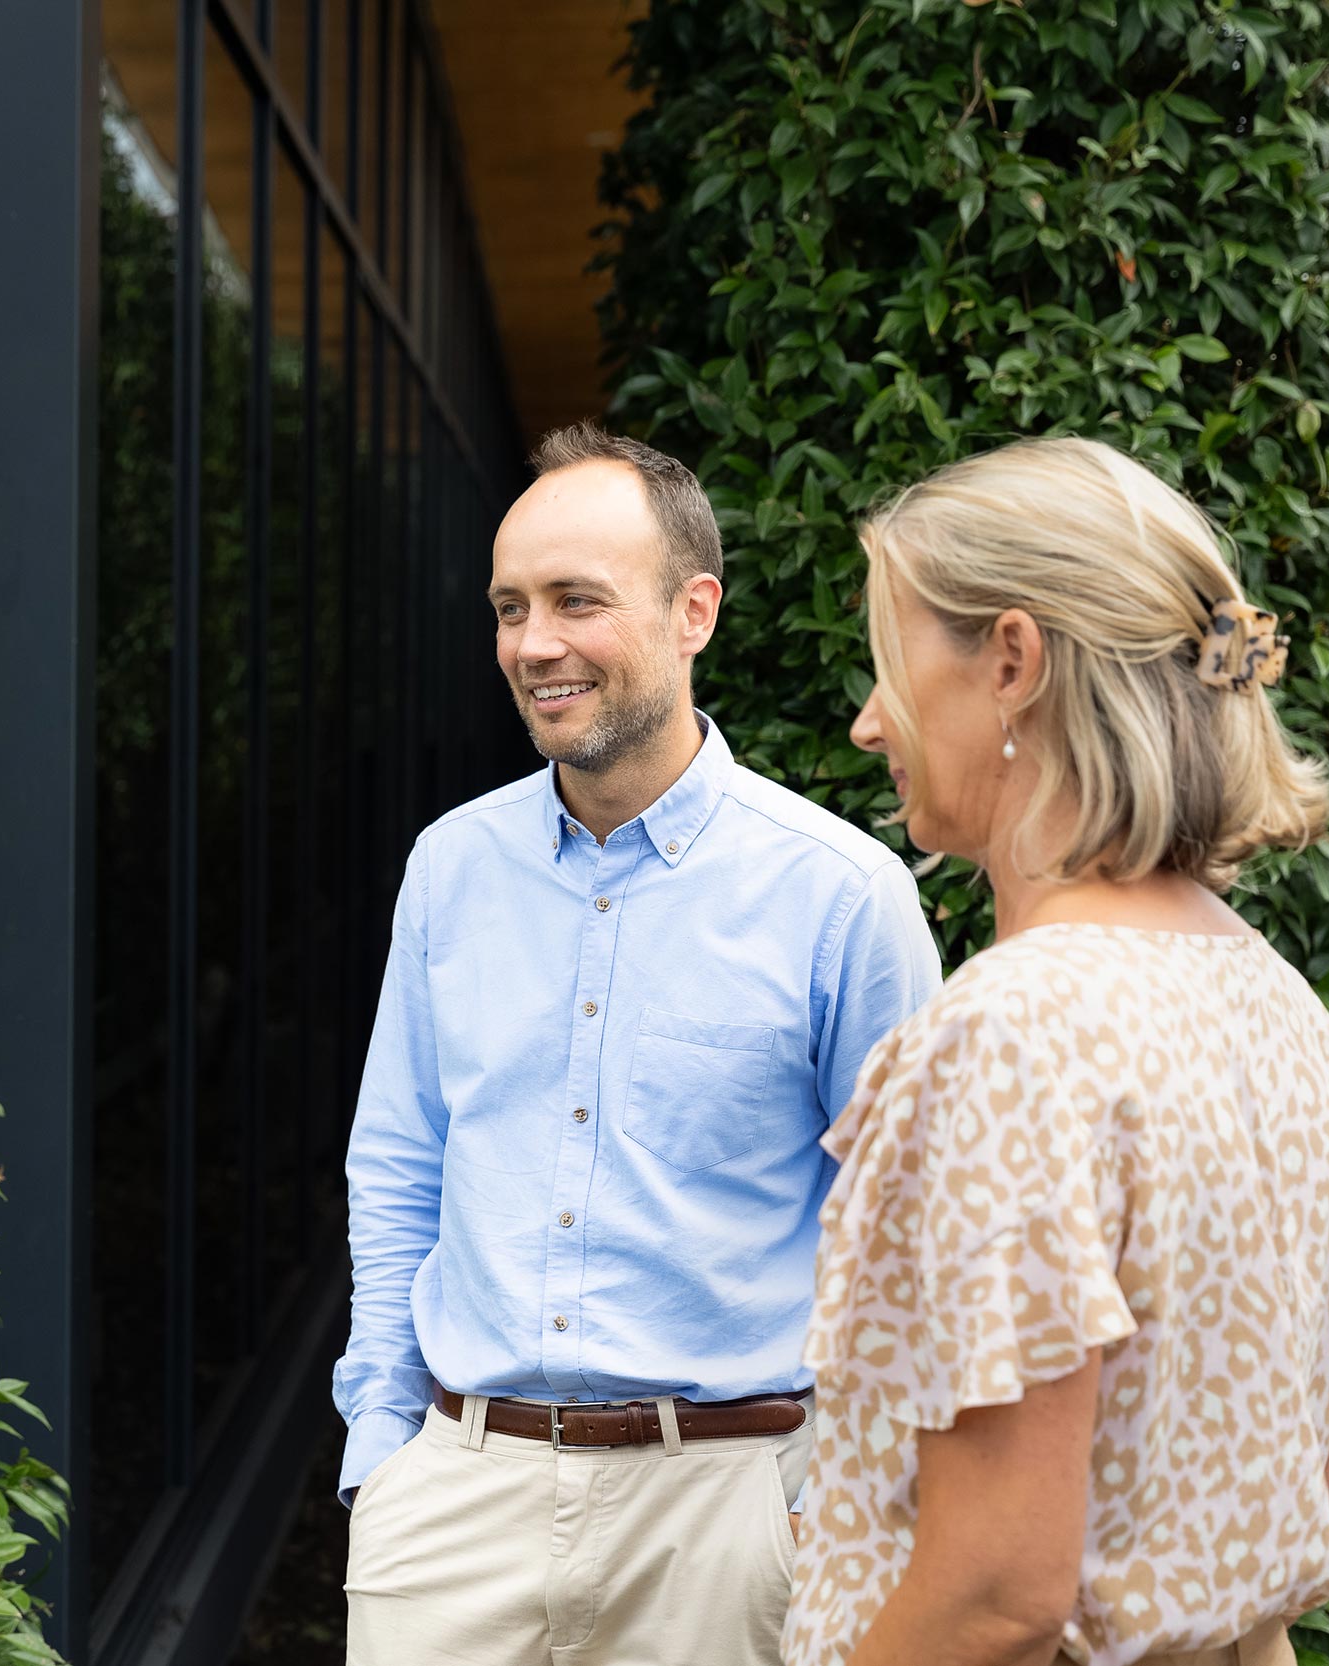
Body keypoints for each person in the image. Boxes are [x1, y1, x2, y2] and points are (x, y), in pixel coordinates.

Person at [782, 437, 1329, 1666]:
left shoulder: (1007, 1036)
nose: (873, 722)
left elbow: (996, 1591)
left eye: (893, 662)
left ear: (1013, 660)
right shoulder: (1273, 998)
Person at [334, 422, 943, 1666]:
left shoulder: (841, 895)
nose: (532, 643)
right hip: (455, 1503)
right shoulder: (450, 869)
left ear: (692, 613)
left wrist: (833, 1502)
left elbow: (912, 1241)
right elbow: (400, 1164)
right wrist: (380, 1452)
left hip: (731, 1522)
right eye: (510, 606)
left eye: (575, 600)